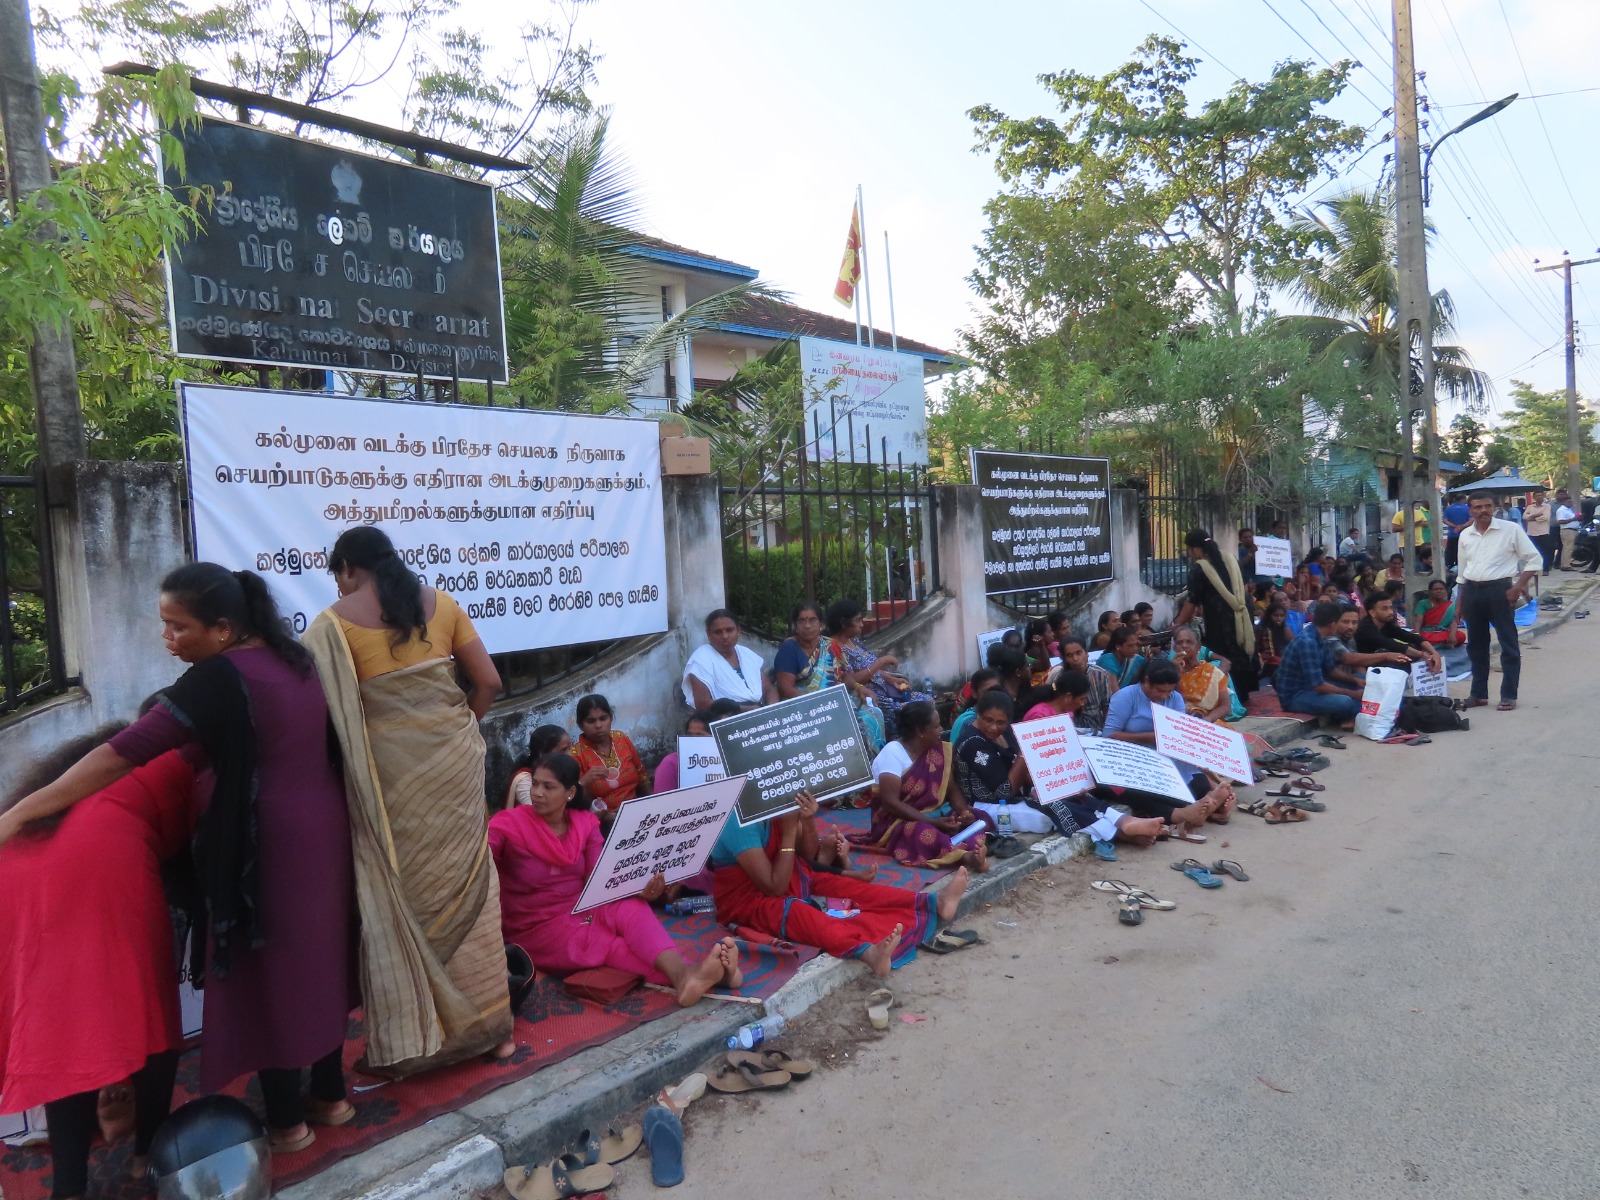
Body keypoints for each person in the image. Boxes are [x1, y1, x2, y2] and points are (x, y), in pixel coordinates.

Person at [11, 563, 358, 1153]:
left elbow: (119, 755)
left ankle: (287, 1125)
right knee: (319, 963)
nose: (167, 639)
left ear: (222, 629)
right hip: (322, 832)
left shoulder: (218, 678)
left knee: (267, 977)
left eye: (178, 627)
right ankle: (331, 1097)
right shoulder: (293, 659)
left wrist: (20, 813)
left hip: (263, 848)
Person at [305, 526, 512, 1074]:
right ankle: (495, 1031)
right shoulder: (443, 605)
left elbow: (324, 718)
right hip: (456, 767)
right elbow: (488, 682)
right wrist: (462, 731)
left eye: (337, 574)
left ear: (348, 567)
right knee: (473, 885)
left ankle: (418, 1045)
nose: (339, 585)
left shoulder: (330, 625)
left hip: (392, 780)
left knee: (403, 895)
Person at [0, 732, 193, 1200]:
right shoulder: (168, 759)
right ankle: (147, 1155)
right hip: (104, 869)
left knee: (58, 1038)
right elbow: (189, 852)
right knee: (150, 1019)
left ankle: (69, 1188)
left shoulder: (64, 779)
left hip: (16, 877)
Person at [489, 754, 740, 1006]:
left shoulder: (584, 824)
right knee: (607, 943)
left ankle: (691, 976)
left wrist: (640, 891)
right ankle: (697, 976)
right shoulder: (507, 825)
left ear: (570, 793)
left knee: (631, 907)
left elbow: (600, 881)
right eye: (535, 783)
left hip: (580, 907)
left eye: (548, 786)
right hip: (534, 926)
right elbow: (481, 858)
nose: (537, 793)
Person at [709, 788, 969, 977]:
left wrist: (807, 819)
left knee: (847, 887)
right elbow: (773, 888)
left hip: (789, 875)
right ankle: (868, 953)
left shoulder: (776, 797)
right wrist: (788, 831)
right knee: (798, 912)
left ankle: (932, 901)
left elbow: (808, 854)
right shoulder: (736, 819)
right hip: (746, 901)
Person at [853, 701, 991, 870]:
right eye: (936, 726)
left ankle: (970, 847)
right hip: (897, 822)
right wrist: (934, 823)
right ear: (921, 732)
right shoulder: (892, 753)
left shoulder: (936, 750)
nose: (941, 729)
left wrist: (963, 812)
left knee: (977, 818)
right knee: (921, 833)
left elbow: (952, 789)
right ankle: (967, 857)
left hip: (934, 815)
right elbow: (890, 803)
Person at [1099, 661, 1234, 826]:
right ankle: (1182, 813)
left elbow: (1177, 731)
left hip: (1166, 755)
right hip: (1133, 758)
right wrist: (1151, 737)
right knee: (1145, 791)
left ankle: (1212, 805)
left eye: (1168, 691)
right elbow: (1110, 735)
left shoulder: (1175, 698)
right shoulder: (1126, 696)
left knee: (1194, 778)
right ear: (1146, 681)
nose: (1164, 696)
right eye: (1159, 690)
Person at [1455, 494, 1542, 711]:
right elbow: (1462, 574)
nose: (1483, 510)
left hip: (1500, 591)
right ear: (1470, 510)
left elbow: (1535, 559)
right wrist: (1459, 606)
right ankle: (1478, 694)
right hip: (1472, 592)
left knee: (1508, 643)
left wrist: (1518, 586)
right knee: (1476, 645)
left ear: (1494, 507)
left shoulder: (1510, 530)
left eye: (1487, 506)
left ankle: (1508, 695)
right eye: (1477, 507)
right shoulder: (1465, 535)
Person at [776, 599, 887, 754]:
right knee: (850, 725)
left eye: (812, 620)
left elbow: (845, 676)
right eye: (802, 621)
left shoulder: (830, 645)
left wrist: (859, 687)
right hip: (806, 709)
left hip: (837, 703)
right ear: (796, 625)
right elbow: (785, 689)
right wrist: (822, 702)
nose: (807, 625)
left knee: (874, 714)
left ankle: (872, 764)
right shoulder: (789, 648)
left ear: (821, 624)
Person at [1172, 528, 1258, 701]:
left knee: (1223, 653)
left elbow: (1192, 601)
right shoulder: (1230, 559)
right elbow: (1244, 586)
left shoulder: (1200, 568)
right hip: (1242, 612)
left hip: (1220, 620)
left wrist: (1177, 624)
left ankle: (1229, 698)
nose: (1190, 554)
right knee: (1240, 650)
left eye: (1190, 550)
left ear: (1195, 549)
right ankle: (1243, 694)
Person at [824, 598, 929, 727]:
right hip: (872, 699)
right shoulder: (835, 648)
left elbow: (869, 668)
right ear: (843, 623)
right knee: (921, 710)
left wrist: (891, 680)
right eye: (858, 620)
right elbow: (851, 680)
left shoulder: (854, 641)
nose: (862, 625)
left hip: (886, 691)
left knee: (927, 700)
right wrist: (882, 661)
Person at [1272, 601, 1366, 726]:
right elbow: (1318, 685)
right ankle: (1352, 717)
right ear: (1333, 624)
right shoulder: (1307, 642)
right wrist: (1352, 694)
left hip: (1312, 688)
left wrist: (1355, 681)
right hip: (1296, 696)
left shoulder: (1321, 637)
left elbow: (1332, 671)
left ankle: (1355, 714)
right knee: (1346, 702)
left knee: (1361, 680)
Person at [682, 609, 773, 710]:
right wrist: (745, 709)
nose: (725, 636)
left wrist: (773, 710)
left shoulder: (746, 654)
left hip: (760, 712)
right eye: (718, 632)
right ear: (708, 634)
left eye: (729, 630)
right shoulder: (700, 660)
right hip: (726, 715)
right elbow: (702, 703)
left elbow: (769, 689)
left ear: (738, 630)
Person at [572, 694, 648, 812]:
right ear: (580, 724)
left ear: (611, 719)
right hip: (604, 818)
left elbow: (641, 774)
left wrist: (654, 801)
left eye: (603, 718)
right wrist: (583, 782)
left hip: (637, 807)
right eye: (591, 721)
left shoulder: (621, 738)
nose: (598, 725)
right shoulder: (576, 755)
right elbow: (575, 799)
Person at [1356, 592, 1443, 674]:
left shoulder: (1385, 624)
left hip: (1381, 659)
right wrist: (1424, 655)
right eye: (1385, 609)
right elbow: (1391, 644)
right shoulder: (1365, 628)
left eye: (1391, 607)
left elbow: (1411, 637)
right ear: (1372, 613)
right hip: (1365, 666)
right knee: (1405, 657)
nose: (1390, 612)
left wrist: (1434, 653)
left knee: (1414, 647)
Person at [1056, 635, 1118, 733]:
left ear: (1086, 653)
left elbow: (1106, 705)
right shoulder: (1060, 677)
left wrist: (1108, 730)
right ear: (1065, 659)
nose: (1075, 658)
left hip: (1097, 727)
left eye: (1079, 653)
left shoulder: (1100, 673)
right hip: (1071, 728)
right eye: (1069, 655)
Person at [504, 725, 574, 807]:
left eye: (570, 749)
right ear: (543, 754)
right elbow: (538, 810)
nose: (570, 755)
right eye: (563, 750)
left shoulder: (562, 772)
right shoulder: (525, 780)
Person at [1170, 627, 1231, 721]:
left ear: (1198, 647)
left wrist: (1208, 719)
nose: (1184, 645)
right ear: (1174, 648)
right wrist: (1174, 673)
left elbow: (1225, 706)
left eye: (1189, 642)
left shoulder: (1213, 673)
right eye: (1180, 642)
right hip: (1179, 720)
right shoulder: (1168, 672)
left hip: (1208, 721)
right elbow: (1170, 701)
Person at [653, 710, 713, 794]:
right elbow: (663, 800)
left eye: (699, 735)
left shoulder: (723, 761)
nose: (692, 740)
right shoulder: (671, 764)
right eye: (689, 735)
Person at [949, 667, 1002, 746]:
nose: (993, 695)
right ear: (974, 693)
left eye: (997, 690)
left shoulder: (1000, 716)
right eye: (987, 692)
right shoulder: (970, 722)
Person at [1021, 668, 1090, 724]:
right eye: (1081, 699)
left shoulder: (1068, 713)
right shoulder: (1039, 716)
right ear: (1068, 696)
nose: (1082, 704)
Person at [1417, 579, 1466, 647]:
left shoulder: (1452, 606)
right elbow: (1418, 620)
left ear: (1446, 591)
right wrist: (1416, 634)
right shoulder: (1422, 603)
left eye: (1441, 589)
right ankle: (1440, 644)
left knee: (1461, 636)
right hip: (1427, 632)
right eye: (1435, 589)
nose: (1438, 591)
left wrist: (1452, 634)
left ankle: (1428, 644)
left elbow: (1453, 622)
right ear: (1430, 591)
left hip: (1444, 632)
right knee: (1414, 637)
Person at [1256, 601, 1293, 684]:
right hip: (1267, 664)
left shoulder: (1284, 628)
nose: (1279, 618)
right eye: (1276, 615)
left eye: (1281, 616)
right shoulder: (1265, 629)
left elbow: (1295, 643)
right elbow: (1270, 655)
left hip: (1278, 661)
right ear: (1269, 616)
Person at [1523, 488, 1553, 575]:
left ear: (1543, 496)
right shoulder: (1530, 507)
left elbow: (1545, 518)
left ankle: (1545, 569)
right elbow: (1524, 517)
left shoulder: (1547, 506)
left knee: (1545, 551)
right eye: (1537, 496)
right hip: (1531, 533)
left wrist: (1531, 518)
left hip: (1543, 532)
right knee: (1534, 552)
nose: (1539, 497)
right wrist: (1537, 515)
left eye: (1540, 495)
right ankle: (1534, 569)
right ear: (1534, 497)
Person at [1443, 498, 1471, 571]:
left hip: (1452, 534)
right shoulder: (1467, 508)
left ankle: (1450, 569)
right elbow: (1471, 520)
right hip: (1465, 534)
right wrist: (1462, 526)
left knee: (1450, 554)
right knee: (1464, 553)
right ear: (1463, 499)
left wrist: (1455, 526)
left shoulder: (1448, 508)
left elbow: (1445, 520)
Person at [1556, 492, 1581, 570]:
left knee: (1569, 547)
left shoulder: (1569, 510)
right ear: (1563, 502)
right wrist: (1573, 519)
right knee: (1568, 548)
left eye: (1571, 502)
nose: (1571, 503)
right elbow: (1560, 521)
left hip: (1572, 530)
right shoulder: (1561, 510)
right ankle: (1566, 565)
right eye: (1569, 502)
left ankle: (1567, 563)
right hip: (1567, 530)